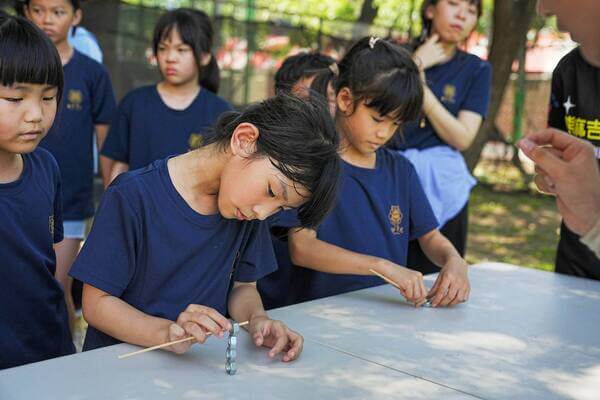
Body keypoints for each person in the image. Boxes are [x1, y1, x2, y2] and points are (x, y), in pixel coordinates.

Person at [69, 93, 340, 361]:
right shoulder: (133, 195)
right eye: (271, 191)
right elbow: (96, 304)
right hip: (119, 370)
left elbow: (243, 287)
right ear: (244, 140)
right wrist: (167, 333)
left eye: (280, 208)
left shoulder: (246, 211)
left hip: (196, 372)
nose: (263, 213)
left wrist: (257, 320)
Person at [259, 37, 470, 310]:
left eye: (395, 123)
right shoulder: (311, 164)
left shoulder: (400, 169)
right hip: (317, 317)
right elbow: (302, 248)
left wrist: (454, 260)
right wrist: (381, 266)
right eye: (377, 119)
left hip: (385, 312)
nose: (384, 132)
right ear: (346, 99)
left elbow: (430, 237)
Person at [24, 0, 117, 330]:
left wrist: (111, 192)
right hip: (18, 191)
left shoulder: (92, 73)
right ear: (25, 12)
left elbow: (108, 139)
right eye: (38, 10)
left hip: (70, 199)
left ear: (77, 16)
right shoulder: (14, 67)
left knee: (55, 287)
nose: (46, 19)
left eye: (58, 11)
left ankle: (62, 353)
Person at [388, 0, 491, 274]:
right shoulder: (395, 55)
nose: (462, 15)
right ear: (430, 9)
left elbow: (463, 137)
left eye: (471, 10)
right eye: (454, 3)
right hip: (389, 177)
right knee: (388, 270)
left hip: (445, 184)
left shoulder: (476, 69)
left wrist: (419, 84)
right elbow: (380, 105)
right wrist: (414, 64)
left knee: (439, 272)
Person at [0, 14, 75, 369]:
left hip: (48, 350)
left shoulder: (46, 168)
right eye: (15, 98)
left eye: (48, 97)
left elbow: (47, 266)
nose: (36, 115)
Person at [100, 8, 231, 187]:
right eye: (163, 48)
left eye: (181, 50)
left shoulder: (220, 112)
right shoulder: (134, 103)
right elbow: (115, 165)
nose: (170, 58)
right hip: (137, 211)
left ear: (204, 56)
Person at [519, 0, 600, 280]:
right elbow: (553, 166)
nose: (542, 10)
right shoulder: (569, 69)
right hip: (577, 253)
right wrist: (548, 177)